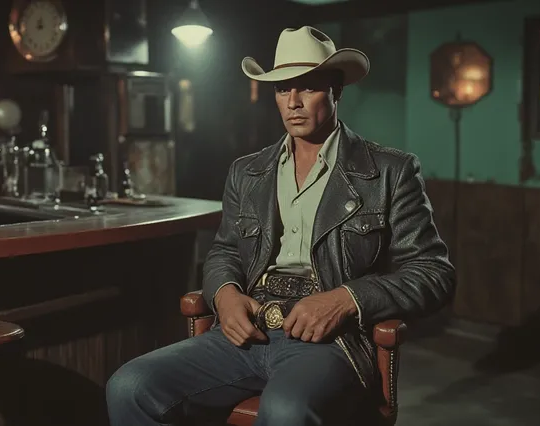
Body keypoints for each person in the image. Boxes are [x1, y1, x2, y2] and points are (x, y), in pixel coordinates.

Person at [106, 26, 455, 426]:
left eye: (307, 88)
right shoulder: (247, 172)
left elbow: (434, 274)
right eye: (282, 89)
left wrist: (345, 298)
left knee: (286, 410)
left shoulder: (390, 171)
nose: (293, 102)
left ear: (336, 91)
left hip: (330, 341)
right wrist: (225, 294)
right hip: (246, 331)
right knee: (129, 385)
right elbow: (224, 250)